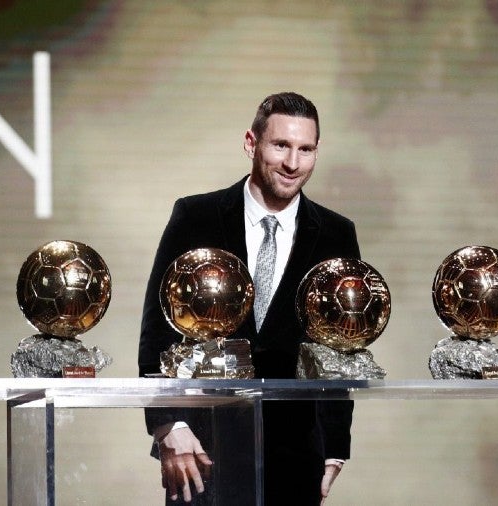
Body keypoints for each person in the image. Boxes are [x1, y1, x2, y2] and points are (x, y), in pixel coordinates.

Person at [138, 92, 359, 505]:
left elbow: (339, 348)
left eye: (305, 149)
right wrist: (168, 424)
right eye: (281, 145)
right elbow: (158, 324)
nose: (293, 163)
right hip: (202, 449)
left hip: (295, 452)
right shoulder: (195, 216)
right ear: (250, 143)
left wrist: (334, 445)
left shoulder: (336, 233)